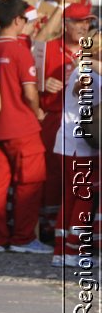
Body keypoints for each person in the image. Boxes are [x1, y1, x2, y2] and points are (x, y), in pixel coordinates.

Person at [0, 0, 50, 254]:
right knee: (29, 184)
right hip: (22, 126)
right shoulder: (20, 50)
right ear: (19, 20)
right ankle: (23, 239)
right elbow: (30, 93)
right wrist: (38, 112)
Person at [42, 1, 94, 235]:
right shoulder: (49, 48)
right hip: (54, 119)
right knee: (54, 175)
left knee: (81, 180)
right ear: (65, 24)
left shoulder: (93, 49)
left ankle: (72, 229)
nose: (84, 26)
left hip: (86, 123)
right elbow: (28, 83)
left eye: (87, 21)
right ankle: (52, 225)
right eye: (78, 21)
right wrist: (42, 85)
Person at [52, 54, 96, 269]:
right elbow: (81, 89)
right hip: (80, 146)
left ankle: (61, 250)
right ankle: (70, 249)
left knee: (70, 198)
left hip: (70, 142)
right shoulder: (89, 71)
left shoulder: (85, 68)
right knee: (83, 199)